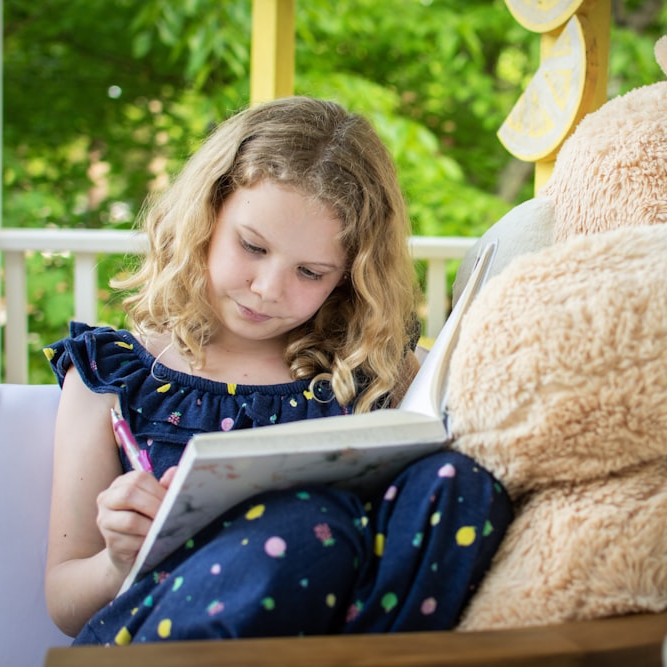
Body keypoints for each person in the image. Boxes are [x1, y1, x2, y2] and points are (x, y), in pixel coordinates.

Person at [42, 96, 512, 645]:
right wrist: (118, 561)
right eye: (252, 246)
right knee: (302, 527)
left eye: (310, 272)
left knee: (464, 485)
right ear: (207, 216)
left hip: (336, 637)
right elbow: (63, 601)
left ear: (346, 277)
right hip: (156, 641)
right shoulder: (115, 376)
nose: (268, 289)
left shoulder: (372, 367)